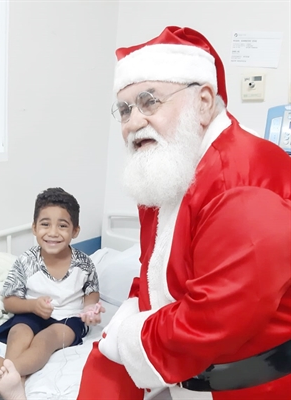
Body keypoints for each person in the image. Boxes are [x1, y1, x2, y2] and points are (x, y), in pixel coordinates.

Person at [76, 26, 291, 400]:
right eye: (124, 109)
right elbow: (153, 273)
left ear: (204, 101)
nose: (132, 122)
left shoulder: (244, 184)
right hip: (189, 372)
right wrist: (123, 328)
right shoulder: (169, 170)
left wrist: (124, 336)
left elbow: (212, 322)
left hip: (253, 386)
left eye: (149, 101)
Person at [0, 187, 105, 400]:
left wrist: (89, 308)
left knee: (47, 339)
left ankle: (9, 369)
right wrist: (32, 306)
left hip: (68, 319)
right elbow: (9, 301)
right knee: (18, 331)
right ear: (34, 228)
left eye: (62, 226)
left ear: (75, 231)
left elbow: (91, 292)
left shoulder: (84, 264)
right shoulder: (26, 261)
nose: (53, 232)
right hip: (31, 313)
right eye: (45, 224)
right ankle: (15, 381)